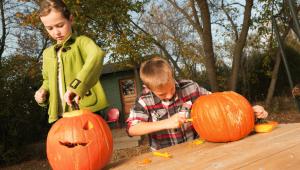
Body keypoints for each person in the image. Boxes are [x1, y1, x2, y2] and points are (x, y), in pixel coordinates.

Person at [126, 56, 268, 150]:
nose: (169, 95)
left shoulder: (190, 87)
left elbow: (221, 107)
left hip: (197, 148)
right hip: (166, 157)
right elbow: (132, 129)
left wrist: (249, 111)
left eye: (171, 88)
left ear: (172, 76)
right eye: (162, 94)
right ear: (148, 88)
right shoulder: (144, 100)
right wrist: (166, 123)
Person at [34, 0, 108, 123]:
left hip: (85, 109)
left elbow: (97, 55)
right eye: (50, 28)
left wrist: (77, 87)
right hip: (60, 115)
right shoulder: (47, 54)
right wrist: (42, 92)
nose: (56, 32)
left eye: (60, 25)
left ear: (71, 19)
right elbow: (47, 80)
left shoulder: (82, 42)